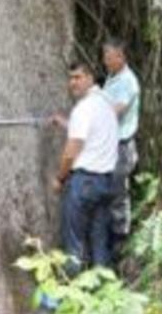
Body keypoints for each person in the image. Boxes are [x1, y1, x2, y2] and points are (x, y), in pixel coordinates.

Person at [51, 61, 119, 273]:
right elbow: (93, 131)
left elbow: (73, 149)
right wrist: (64, 123)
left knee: (74, 245)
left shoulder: (83, 108)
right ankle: (103, 297)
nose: (73, 83)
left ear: (90, 77)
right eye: (71, 78)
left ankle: (70, 297)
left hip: (84, 183)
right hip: (106, 182)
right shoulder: (106, 102)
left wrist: (60, 178)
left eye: (78, 77)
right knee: (99, 244)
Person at [101, 38, 141, 258]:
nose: (105, 61)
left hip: (122, 147)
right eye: (104, 55)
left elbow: (116, 110)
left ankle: (119, 242)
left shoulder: (128, 82)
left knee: (117, 192)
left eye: (109, 56)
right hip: (110, 145)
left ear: (120, 57)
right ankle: (107, 238)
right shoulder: (112, 76)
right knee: (108, 191)